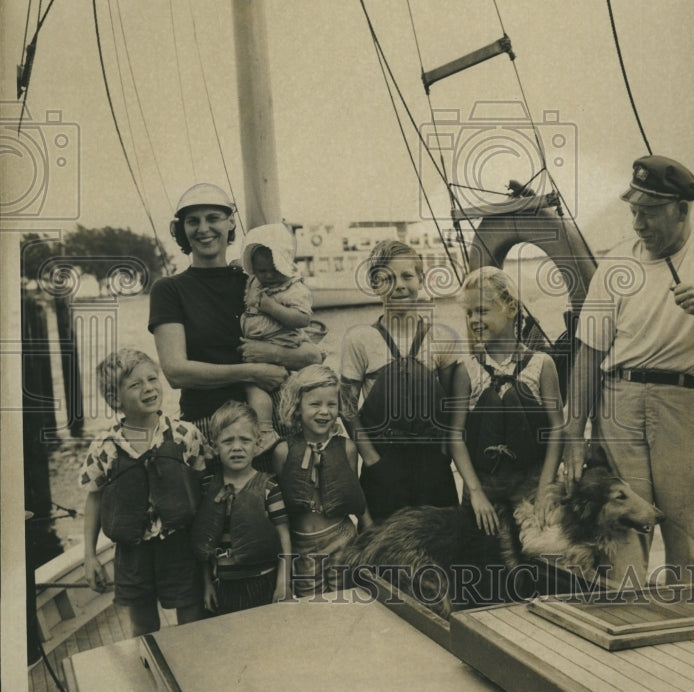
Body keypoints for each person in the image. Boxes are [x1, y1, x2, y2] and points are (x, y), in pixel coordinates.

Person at [562, 155, 694, 584]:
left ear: (682, 209)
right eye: (634, 211)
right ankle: (628, 632)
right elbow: (586, 354)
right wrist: (574, 434)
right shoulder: (616, 266)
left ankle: (689, 630)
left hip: (687, 407)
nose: (638, 223)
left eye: (650, 212)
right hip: (619, 404)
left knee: (687, 536)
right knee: (622, 536)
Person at [148, 183, 321, 441]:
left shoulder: (256, 283)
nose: (203, 228)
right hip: (209, 426)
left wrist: (273, 353)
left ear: (230, 223)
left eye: (213, 218)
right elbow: (175, 372)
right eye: (193, 221)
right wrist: (251, 371)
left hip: (274, 421)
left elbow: (313, 355)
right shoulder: (169, 289)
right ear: (182, 229)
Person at [80, 348, 207, 636]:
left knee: (192, 616)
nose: (149, 388)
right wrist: (90, 556)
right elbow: (94, 497)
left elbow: (202, 485)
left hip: (181, 546)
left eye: (152, 379)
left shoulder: (185, 434)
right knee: (144, 624)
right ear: (115, 399)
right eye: (135, 385)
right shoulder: (105, 447)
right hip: (132, 554)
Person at [338, 240, 461, 524]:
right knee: (385, 552)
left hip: (433, 462)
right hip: (383, 461)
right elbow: (346, 406)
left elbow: (452, 403)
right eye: (388, 278)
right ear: (374, 284)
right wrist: (370, 459)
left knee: (440, 546)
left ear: (421, 279)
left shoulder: (442, 337)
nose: (400, 286)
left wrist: (444, 452)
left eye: (407, 276)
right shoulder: (359, 339)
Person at [451, 267, 564, 535]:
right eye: (469, 313)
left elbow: (557, 428)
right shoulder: (466, 370)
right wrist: (475, 493)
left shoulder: (541, 364)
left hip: (532, 484)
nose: (474, 320)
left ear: (511, 308)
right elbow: (455, 434)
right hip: (483, 487)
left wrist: (545, 489)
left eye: (482, 310)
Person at [273, 365, 371, 597]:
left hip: (343, 539)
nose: (324, 412)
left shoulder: (347, 447)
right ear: (297, 407)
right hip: (303, 547)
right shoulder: (283, 452)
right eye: (315, 404)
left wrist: (370, 532)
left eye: (331, 404)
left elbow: (356, 495)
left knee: (347, 604)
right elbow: (279, 513)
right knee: (313, 612)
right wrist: (284, 574)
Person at [192, 401, 291, 614]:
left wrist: (283, 582)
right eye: (228, 441)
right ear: (215, 446)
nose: (237, 447)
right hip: (223, 588)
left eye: (245, 440)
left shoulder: (269, 487)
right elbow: (204, 542)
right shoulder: (208, 488)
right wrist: (207, 584)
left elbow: (284, 537)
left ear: (257, 443)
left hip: (264, 583)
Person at [240, 223, 315, 453]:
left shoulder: (295, 289)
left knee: (284, 391)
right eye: (262, 271)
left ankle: (276, 432)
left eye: (275, 270)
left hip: (281, 343)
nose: (269, 276)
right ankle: (266, 431)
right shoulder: (254, 282)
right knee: (254, 388)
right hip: (257, 348)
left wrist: (273, 308)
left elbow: (302, 319)